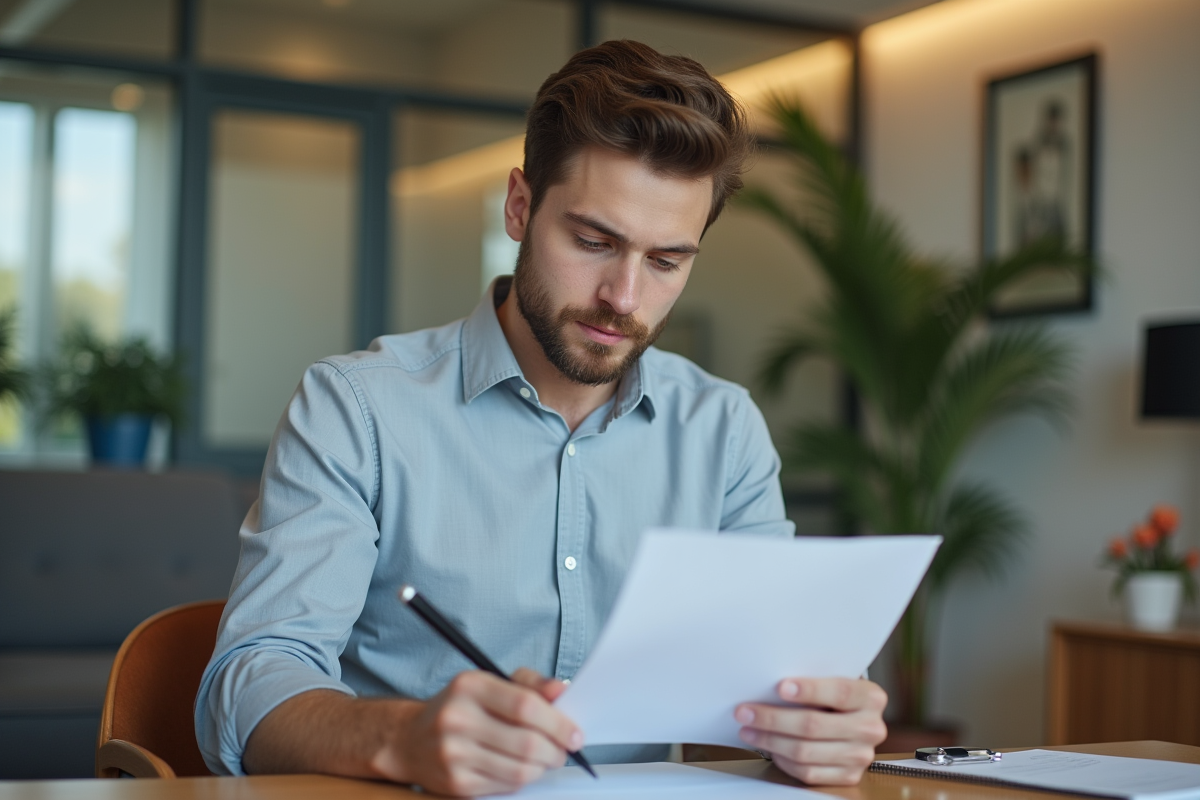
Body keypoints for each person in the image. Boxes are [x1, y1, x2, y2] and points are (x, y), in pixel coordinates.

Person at [196, 40, 887, 797]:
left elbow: (780, 676)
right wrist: (402, 736)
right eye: (594, 242)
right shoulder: (355, 410)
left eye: (666, 262)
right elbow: (252, 680)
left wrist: (820, 726)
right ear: (520, 207)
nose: (623, 297)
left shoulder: (723, 432)